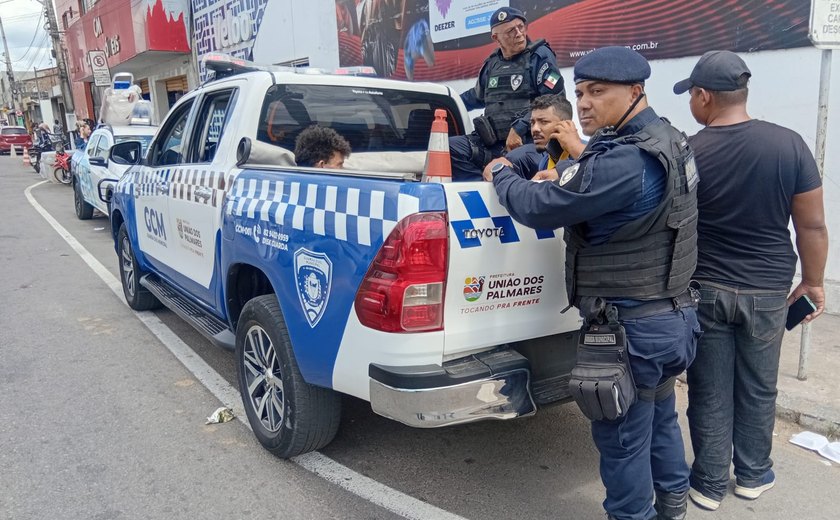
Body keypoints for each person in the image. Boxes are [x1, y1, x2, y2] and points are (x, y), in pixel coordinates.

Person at [490, 46, 700, 520]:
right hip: (672, 318)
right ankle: (672, 506)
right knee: (660, 416)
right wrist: (560, 167)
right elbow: (595, 176)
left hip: (631, 328)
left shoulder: (624, 162)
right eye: (580, 92)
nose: (583, 103)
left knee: (623, 440)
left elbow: (538, 207)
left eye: (597, 92)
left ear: (635, 91)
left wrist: (503, 173)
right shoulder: (669, 139)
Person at [673, 50, 829, 511]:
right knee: (759, 385)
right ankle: (754, 475)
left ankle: (706, 481)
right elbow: (812, 227)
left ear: (703, 97)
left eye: (692, 97)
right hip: (768, 292)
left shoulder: (689, 151)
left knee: (709, 388)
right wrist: (814, 282)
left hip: (706, 290)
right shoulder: (790, 145)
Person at [451, 6, 566, 181]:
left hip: (527, 143)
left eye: (521, 27)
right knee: (451, 147)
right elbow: (476, 96)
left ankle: (499, 188)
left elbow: (554, 100)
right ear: (495, 37)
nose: (519, 33)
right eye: (511, 31)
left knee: (507, 163)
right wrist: (448, 101)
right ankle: (482, 188)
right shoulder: (492, 64)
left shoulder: (540, 56)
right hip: (491, 143)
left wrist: (519, 128)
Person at [482, 94, 580, 180]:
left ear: (566, 124)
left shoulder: (586, 158)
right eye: (532, 123)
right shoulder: (545, 161)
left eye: (544, 122)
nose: (535, 129)